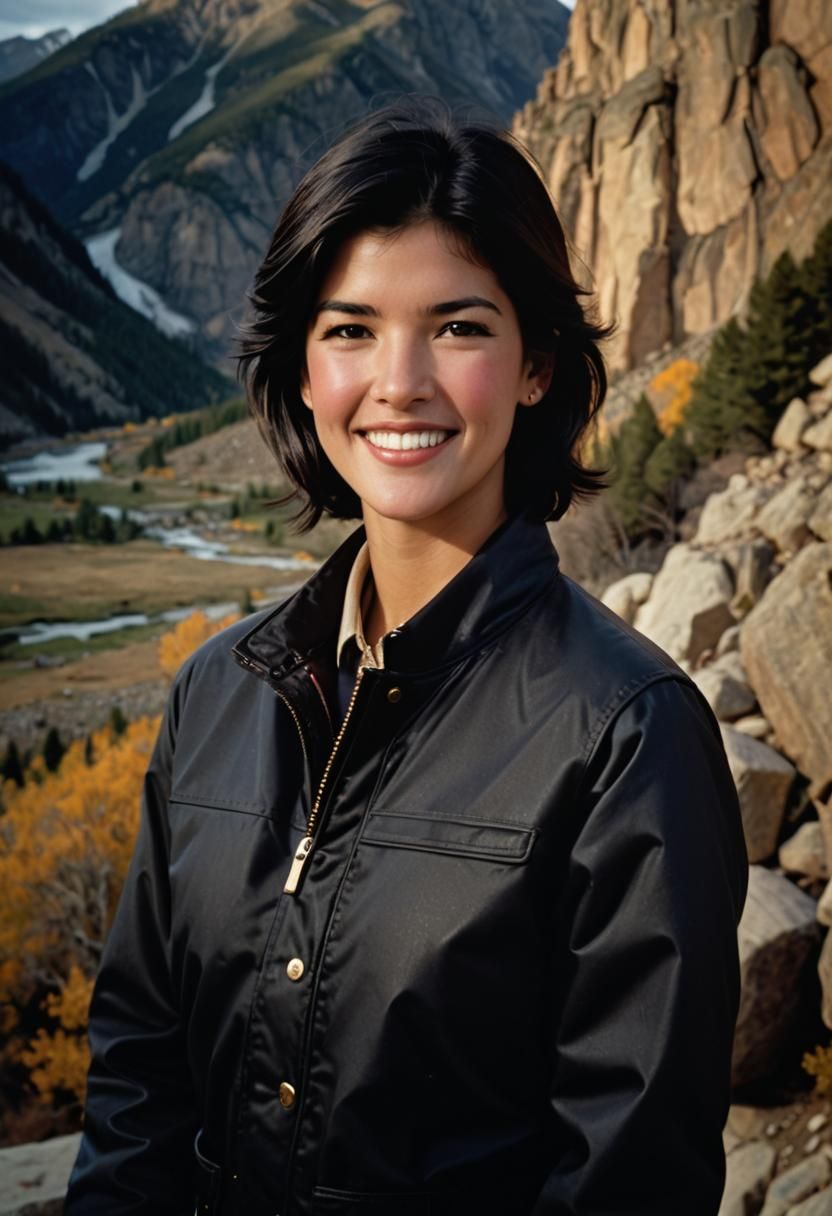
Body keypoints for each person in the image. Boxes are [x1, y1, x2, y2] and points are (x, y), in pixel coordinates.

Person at [66, 98, 748, 1216]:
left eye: (458, 326)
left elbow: (627, 1178)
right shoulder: (214, 692)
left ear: (535, 365)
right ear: (299, 368)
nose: (400, 381)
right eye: (350, 329)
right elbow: (136, 1083)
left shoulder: (629, 735)